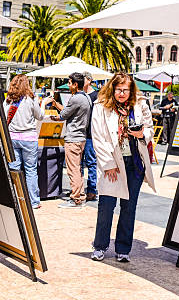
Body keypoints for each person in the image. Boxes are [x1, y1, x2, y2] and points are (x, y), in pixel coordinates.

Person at [90, 72, 156, 262]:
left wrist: (142, 134)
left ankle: (123, 249)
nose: (121, 94)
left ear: (131, 90)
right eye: (118, 90)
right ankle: (100, 246)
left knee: (129, 207)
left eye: (125, 90)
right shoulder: (101, 107)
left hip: (134, 162)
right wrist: (108, 164)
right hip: (112, 163)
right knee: (106, 206)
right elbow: (98, 137)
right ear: (112, 88)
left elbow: (149, 128)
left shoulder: (140, 104)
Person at [3, 74, 53, 209]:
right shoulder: (30, 100)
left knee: (14, 168)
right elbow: (40, 116)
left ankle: (14, 199)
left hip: (12, 138)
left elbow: (2, 117)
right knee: (31, 170)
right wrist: (43, 103)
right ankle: (33, 201)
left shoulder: (8, 100)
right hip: (29, 139)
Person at [51, 72, 92, 208]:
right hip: (81, 137)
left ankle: (75, 199)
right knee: (77, 168)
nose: (68, 85)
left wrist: (55, 111)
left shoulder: (75, 99)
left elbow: (63, 115)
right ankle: (80, 195)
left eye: (69, 83)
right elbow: (69, 114)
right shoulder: (86, 97)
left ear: (75, 84)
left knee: (72, 169)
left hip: (73, 138)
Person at [81, 71, 98, 202]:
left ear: (89, 80)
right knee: (79, 163)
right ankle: (80, 189)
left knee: (91, 162)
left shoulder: (96, 96)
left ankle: (91, 190)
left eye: (83, 80)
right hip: (80, 133)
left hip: (91, 134)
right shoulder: (80, 95)